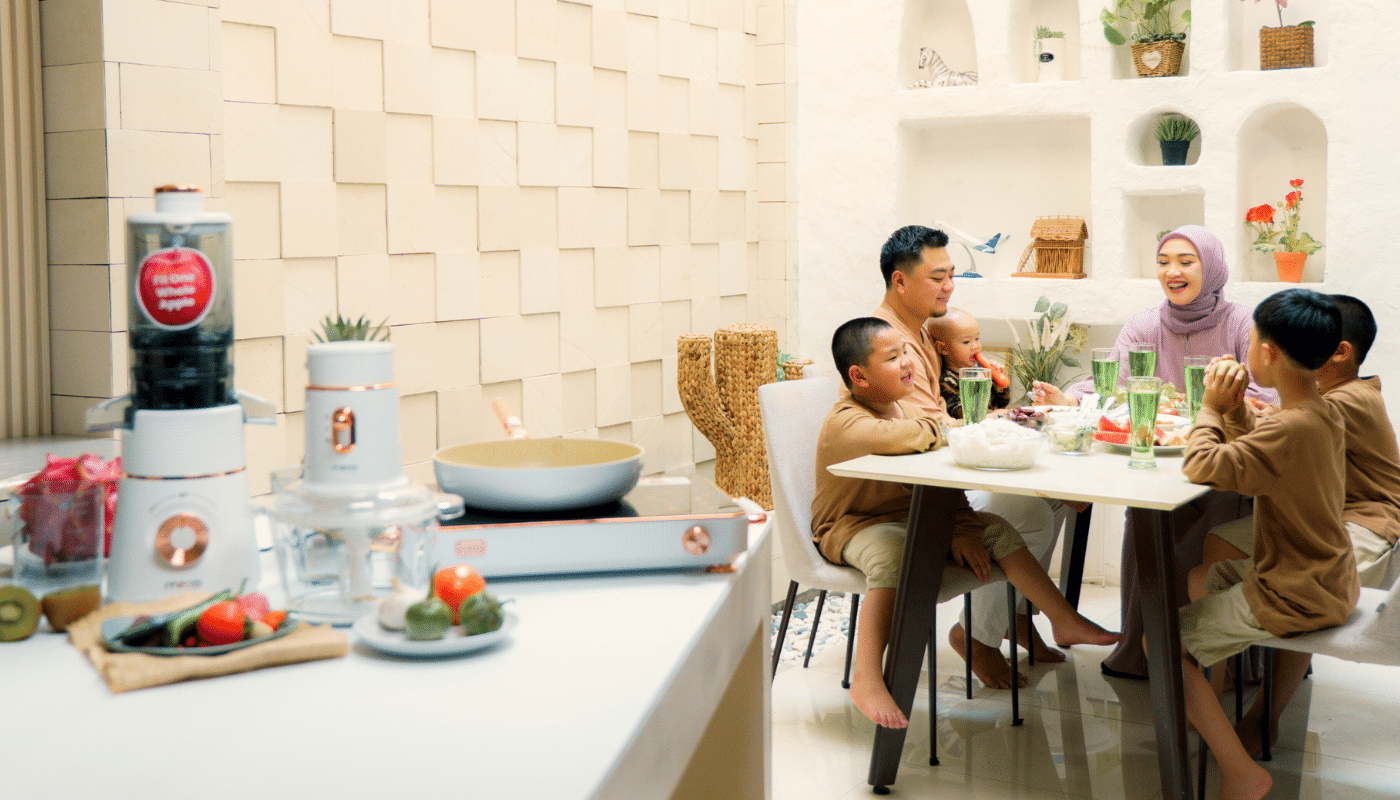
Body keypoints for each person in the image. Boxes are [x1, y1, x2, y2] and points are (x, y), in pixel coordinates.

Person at [813, 317, 1121, 728]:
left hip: (910, 516)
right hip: (853, 526)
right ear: (859, 376)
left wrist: (963, 527)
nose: (906, 361)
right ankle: (867, 675)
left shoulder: (904, 409)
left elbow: (942, 474)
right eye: (892, 357)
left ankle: (1062, 618)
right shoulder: (847, 422)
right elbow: (912, 436)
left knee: (997, 529)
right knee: (891, 552)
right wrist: (949, 426)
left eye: (905, 352)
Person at [1033, 225, 1278, 680]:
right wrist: (1069, 399)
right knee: (1146, 512)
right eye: (1164, 262)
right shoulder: (1145, 324)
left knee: (1216, 507)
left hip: (1222, 459)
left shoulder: (1242, 322)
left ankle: (1211, 658)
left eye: (1186, 261)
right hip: (1159, 455)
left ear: (1212, 267)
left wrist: (1220, 407)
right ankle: (1142, 649)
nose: (1172, 271)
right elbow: (1113, 386)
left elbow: (1266, 396)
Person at [1200, 293, 1400, 756]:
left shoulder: (1347, 400)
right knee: (1219, 543)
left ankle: (1265, 715)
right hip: (1328, 513)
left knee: (1301, 582)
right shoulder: (1330, 396)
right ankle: (1217, 676)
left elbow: (1269, 440)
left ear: (1339, 352)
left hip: (1367, 526)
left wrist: (1221, 407)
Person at [1175, 288, 1356, 800]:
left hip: (1295, 591)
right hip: (1328, 578)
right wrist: (1235, 413)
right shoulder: (1320, 412)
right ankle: (1208, 695)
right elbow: (1262, 456)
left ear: (1268, 353)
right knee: (1199, 579)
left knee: (1159, 645)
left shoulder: (1294, 428)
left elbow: (1200, 466)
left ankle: (1241, 772)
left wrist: (1210, 408)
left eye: (1252, 340)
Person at [873, 225, 1063, 690]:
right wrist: (1006, 420)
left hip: (934, 473)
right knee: (1031, 511)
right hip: (906, 495)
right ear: (900, 281)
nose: (949, 287)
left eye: (951, 275)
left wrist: (1004, 415)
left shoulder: (919, 333)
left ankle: (1012, 617)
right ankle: (977, 636)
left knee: (1055, 501)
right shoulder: (889, 343)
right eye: (937, 278)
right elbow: (929, 435)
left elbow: (943, 422)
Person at [926, 307, 1011, 419]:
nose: (975, 346)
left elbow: (1002, 402)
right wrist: (992, 414)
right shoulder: (946, 381)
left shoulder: (982, 370)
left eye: (977, 338)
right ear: (943, 348)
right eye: (966, 342)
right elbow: (959, 412)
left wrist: (998, 378)